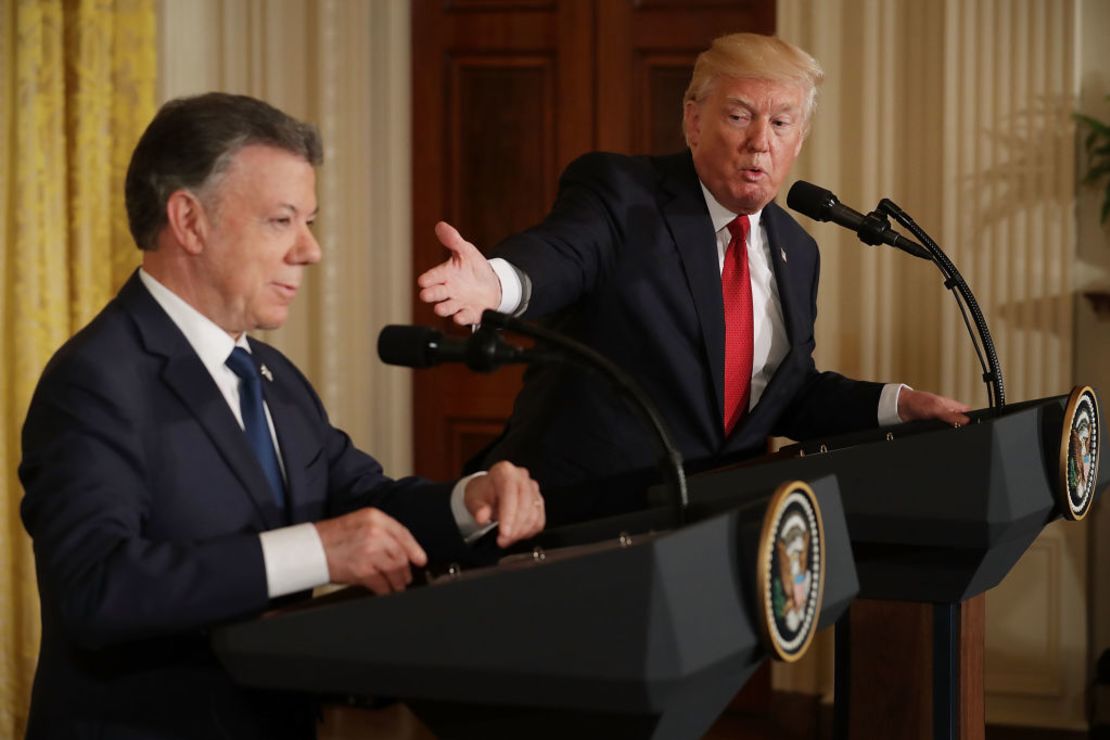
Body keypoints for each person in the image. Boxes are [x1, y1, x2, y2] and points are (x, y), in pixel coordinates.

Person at [19, 92, 545, 740]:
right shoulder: (96, 380)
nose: (310, 250)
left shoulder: (272, 376)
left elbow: (365, 503)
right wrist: (319, 551)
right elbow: (98, 587)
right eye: (281, 220)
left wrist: (473, 501)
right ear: (189, 220)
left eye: (310, 221)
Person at [417, 32, 971, 517]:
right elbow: (564, 253)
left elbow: (784, 392)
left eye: (781, 123)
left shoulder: (798, 252)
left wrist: (897, 404)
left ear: (799, 139)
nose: (761, 142)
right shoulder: (622, 194)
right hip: (582, 516)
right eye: (739, 116)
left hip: (717, 529)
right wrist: (498, 283)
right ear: (693, 119)